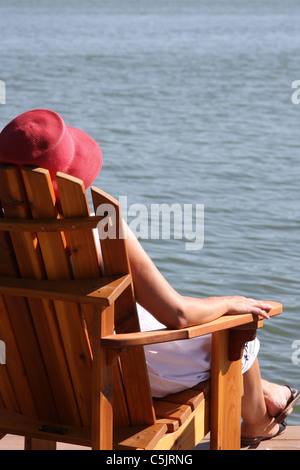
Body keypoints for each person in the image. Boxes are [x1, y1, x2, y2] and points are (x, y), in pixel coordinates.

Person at [0, 109, 299, 445]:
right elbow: (178, 314)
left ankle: (270, 393)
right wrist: (230, 302)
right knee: (238, 332)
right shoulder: (102, 228)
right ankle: (258, 422)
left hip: (32, 378)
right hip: (119, 378)